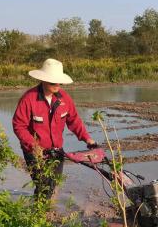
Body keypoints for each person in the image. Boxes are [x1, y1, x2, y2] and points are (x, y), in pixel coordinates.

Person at [12, 58, 97, 199]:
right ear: (43, 80)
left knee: (54, 184)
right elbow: (19, 125)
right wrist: (33, 146)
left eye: (59, 81)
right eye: (53, 82)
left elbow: (74, 120)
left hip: (56, 150)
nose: (57, 85)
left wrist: (87, 138)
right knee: (44, 186)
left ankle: (46, 212)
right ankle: (39, 215)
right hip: (35, 151)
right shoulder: (29, 99)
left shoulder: (64, 98)